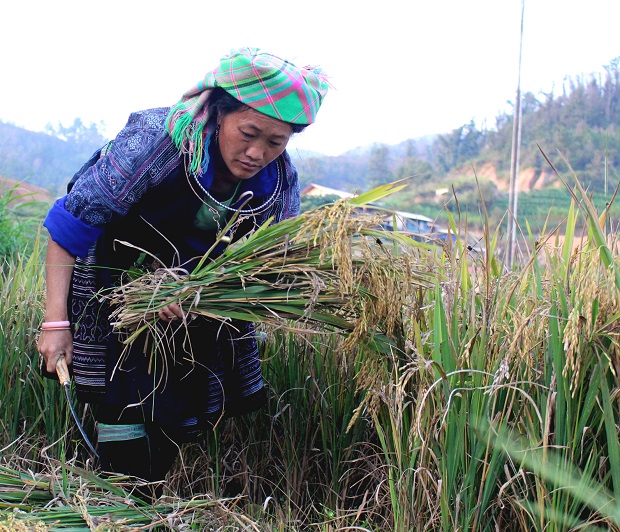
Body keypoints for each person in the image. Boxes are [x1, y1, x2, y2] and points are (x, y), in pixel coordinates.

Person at [37, 47, 329, 486]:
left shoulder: (277, 185)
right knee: (123, 398)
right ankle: (122, 496)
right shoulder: (157, 143)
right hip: (116, 285)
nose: (256, 153)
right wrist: (56, 323)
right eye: (248, 133)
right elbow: (70, 227)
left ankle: (149, 489)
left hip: (199, 307)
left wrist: (198, 296)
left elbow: (270, 267)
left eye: (276, 142)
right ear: (216, 113)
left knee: (180, 406)